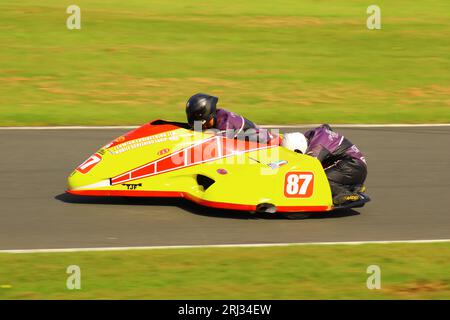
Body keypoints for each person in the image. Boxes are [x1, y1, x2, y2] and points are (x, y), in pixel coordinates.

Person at [281, 124, 367, 205]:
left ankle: (345, 193)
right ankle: (354, 186)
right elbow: (325, 127)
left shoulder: (317, 147)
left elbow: (308, 167)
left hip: (352, 165)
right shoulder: (310, 136)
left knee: (316, 179)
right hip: (352, 164)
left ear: (298, 149)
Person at [185, 93, 273, 143]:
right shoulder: (215, 117)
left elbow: (211, 141)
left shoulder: (226, 123)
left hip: (265, 143)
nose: (196, 126)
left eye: (198, 123)